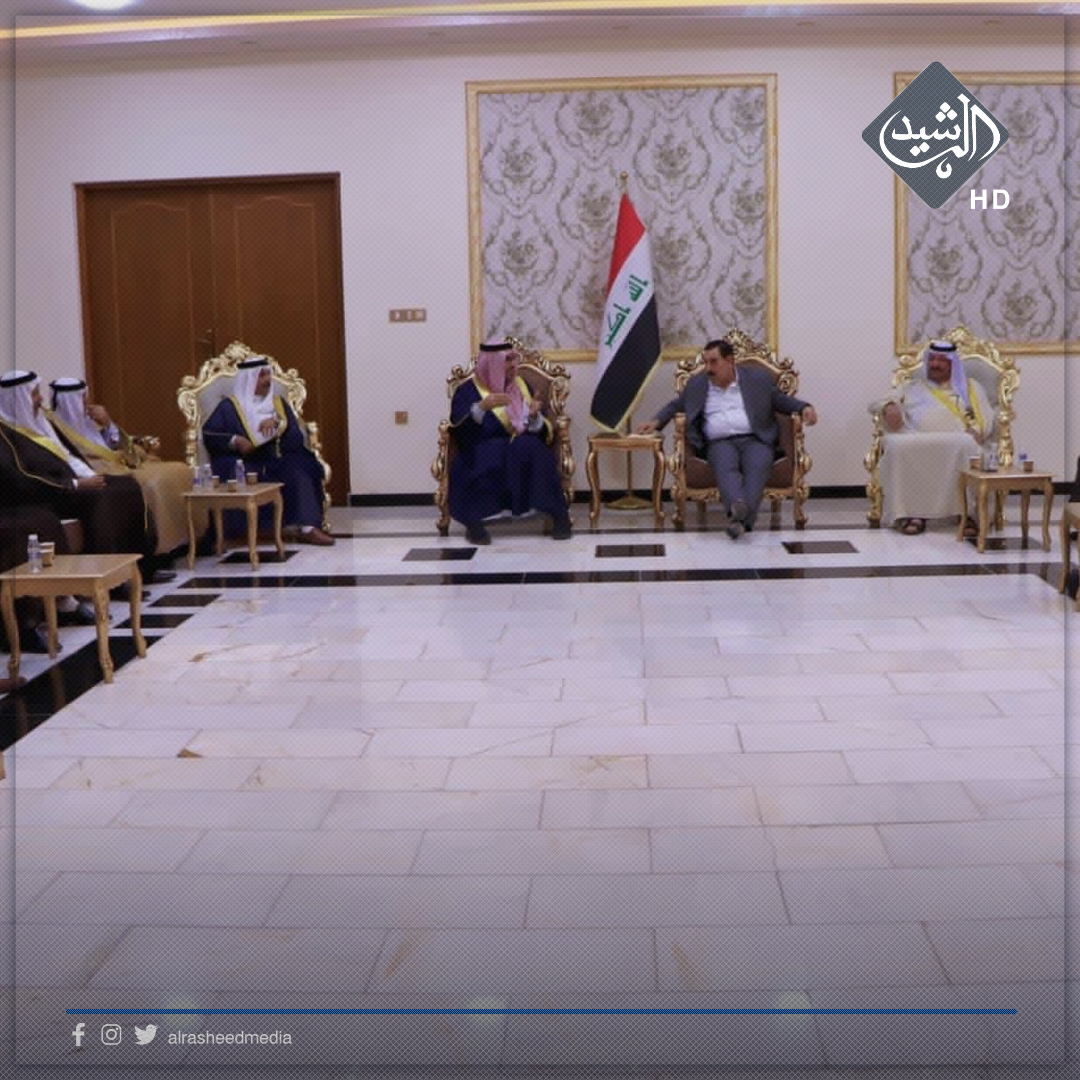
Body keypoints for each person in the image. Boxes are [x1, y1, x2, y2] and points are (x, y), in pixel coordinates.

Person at [637, 338, 817, 539]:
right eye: (706, 362)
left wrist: (804, 407)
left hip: (755, 439)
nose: (708, 368)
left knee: (757, 467)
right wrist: (656, 422)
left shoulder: (757, 379)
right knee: (725, 466)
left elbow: (780, 401)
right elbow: (676, 405)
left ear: (730, 361)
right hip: (719, 442)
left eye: (714, 362)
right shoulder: (698, 383)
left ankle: (738, 517)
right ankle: (740, 511)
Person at [0, 370, 154, 564]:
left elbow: (68, 455)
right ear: (17, 400)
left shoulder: (41, 421)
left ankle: (138, 567)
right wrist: (75, 484)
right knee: (102, 497)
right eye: (34, 394)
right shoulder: (7, 434)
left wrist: (89, 476)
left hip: (71, 485)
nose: (40, 399)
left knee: (127, 486)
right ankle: (102, 568)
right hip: (50, 493)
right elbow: (22, 478)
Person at [47, 377, 191, 574]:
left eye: (85, 396)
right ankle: (158, 552)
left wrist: (108, 424)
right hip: (100, 470)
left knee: (178, 469)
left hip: (119, 463)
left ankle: (183, 543)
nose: (86, 403)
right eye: (81, 398)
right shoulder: (56, 428)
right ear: (68, 401)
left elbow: (117, 445)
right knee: (151, 484)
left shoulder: (89, 421)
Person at [447, 339, 572, 546]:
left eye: (514, 360)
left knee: (534, 450)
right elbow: (460, 433)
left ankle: (559, 517)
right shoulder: (467, 391)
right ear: (491, 364)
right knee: (489, 457)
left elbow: (540, 430)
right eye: (507, 361)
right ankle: (474, 524)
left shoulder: (522, 387)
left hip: (521, 445)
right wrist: (481, 408)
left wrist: (534, 417)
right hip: (482, 449)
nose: (513, 366)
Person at [201, 356, 334, 546]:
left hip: (275, 460)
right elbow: (209, 433)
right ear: (248, 379)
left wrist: (278, 425)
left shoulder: (278, 404)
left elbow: (295, 438)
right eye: (261, 376)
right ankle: (235, 533)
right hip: (245, 461)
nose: (267, 380)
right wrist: (236, 440)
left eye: (268, 375)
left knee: (299, 467)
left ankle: (308, 528)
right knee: (229, 469)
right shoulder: (229, 407)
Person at [878, 339, 994, 535]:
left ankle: (965, 514)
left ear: (952, 364)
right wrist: (889, 406)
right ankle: (911, 513)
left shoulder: (970, 388)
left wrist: (978, 430)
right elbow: (877, 402)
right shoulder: (913, 387)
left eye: (941, 360)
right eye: (932, 359)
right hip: (917, 439)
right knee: (897, 446)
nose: (935, 364)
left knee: (966, 445)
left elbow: (986, 417)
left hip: (957, 440)